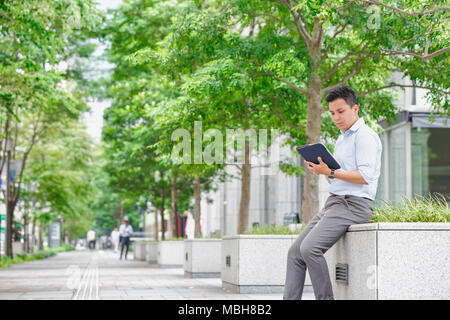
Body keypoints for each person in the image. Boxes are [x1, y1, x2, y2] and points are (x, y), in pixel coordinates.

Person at [283, 86, 382, 300]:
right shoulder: (342, 138)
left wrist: (331, 171)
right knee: (295, 253)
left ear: (355, 109)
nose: (336, 117)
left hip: (354, 205)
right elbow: (337, 176)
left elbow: (365, 176)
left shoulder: (365, 136)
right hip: (335, 203)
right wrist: (322, 171)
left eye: (341, 111)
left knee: (309, 249)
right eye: (332, 113)